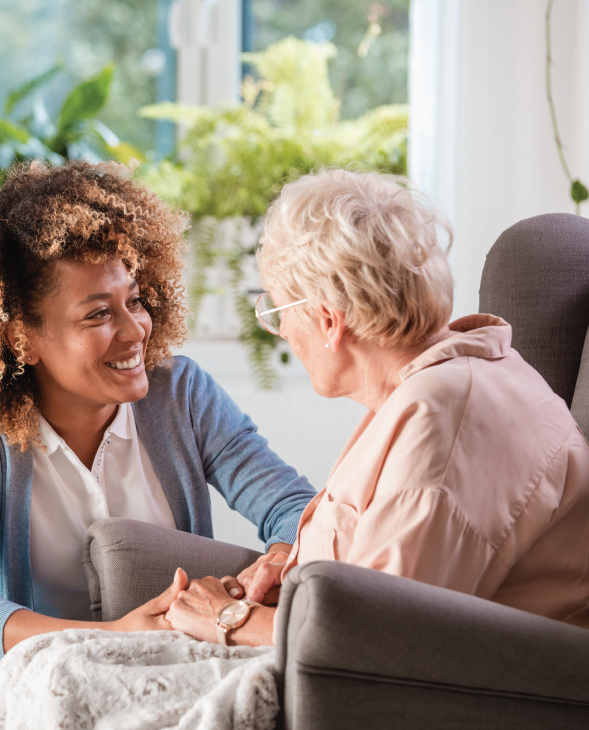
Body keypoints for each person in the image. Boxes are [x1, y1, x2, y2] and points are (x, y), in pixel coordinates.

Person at [0, 161, 316, 730]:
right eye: (98, 314)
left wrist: (277, 561)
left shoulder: (180, 393)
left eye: (135, 300)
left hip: (165, 664)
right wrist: (110, 637)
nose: (136, 331)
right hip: (27, 670)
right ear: (20, 337)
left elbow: (296, 509)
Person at [165, 168, 589, 647]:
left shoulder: (439, 421)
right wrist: (300, 573)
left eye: (278, 312)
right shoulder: (452, 378)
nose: (280, 330)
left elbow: (381, 640)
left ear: (328, 321)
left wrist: (229, 618)